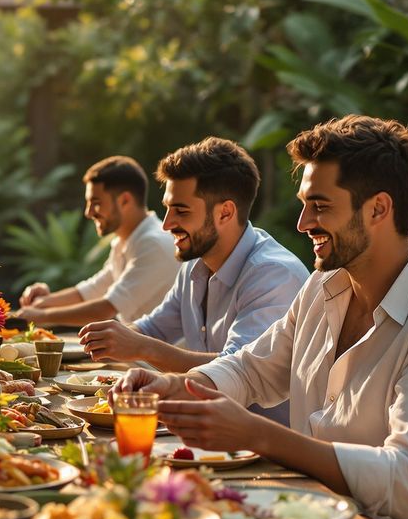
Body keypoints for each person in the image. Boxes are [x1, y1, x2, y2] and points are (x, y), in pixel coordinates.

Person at [114, 115, 408, 519]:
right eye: (305, 204)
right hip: (316, 504)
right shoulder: (324, 287)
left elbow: (406, 484)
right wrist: (177, 386)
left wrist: (257, 435)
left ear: (378, 209)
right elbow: (252, 368)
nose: (303, 223)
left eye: (319, 206)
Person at [79, 137, 307, 423]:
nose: (167, 224)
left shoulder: (273, 274)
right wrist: (104, 339)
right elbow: (153, 329)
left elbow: (235, 370)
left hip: (265, 455)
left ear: (225, 212)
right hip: (206, 433)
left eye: (181, 211)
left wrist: (139, 346)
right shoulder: (195, 264)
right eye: (167, 208)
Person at [16, 156, 179, 327]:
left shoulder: (153, 244)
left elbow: (105, 309)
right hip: (140, 349)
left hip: (166, 352)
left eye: (96, 203)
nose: (88, 212)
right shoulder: (125, 242)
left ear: (125, 200)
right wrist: (43, 301)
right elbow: (92, 290)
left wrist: (41, 316)